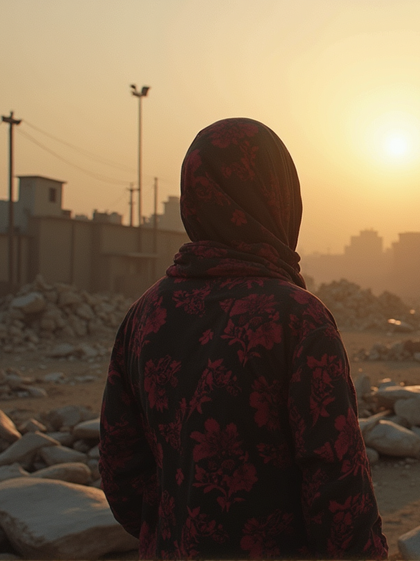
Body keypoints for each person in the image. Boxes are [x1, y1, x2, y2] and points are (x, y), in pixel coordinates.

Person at [99, 118, 388, 559]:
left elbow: (121, 469)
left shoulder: (145, 315)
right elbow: (337, 488)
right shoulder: (297, 318)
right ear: (279, 196)